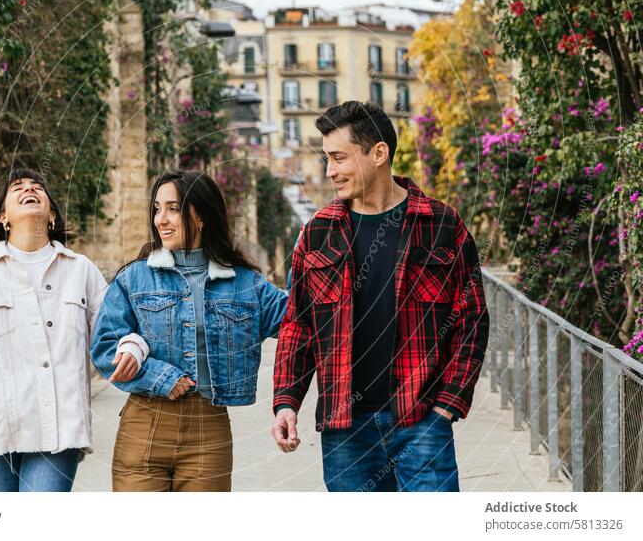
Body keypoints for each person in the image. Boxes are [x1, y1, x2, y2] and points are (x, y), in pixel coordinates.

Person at [271, 101, 489, 492]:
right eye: (326, 159)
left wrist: (446, 406)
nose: (330, 171)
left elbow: (472, 319)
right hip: (345, 431)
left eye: (339, 158)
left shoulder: (442, 225)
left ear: (378, 153)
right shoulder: (318, 232)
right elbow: (297, 327)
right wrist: (287, 402)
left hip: (422, 421)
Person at [91, 169, 287, 492]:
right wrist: (160, 376)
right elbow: (105, 346)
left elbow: (300, 318)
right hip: (144, 423)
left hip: (207, 432)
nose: (160, 219)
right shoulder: (135, 278)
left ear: (200, 215)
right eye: (157, 208)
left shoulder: (245, 284)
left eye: (172, 208)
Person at [0, 168, 112, 492]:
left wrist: (133, 348)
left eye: (37, 187)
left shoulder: (80, 270)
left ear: (52, 215)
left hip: (58, 432)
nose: (30, 190)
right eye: (18, 188)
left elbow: (111, 334)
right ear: (3, 216)